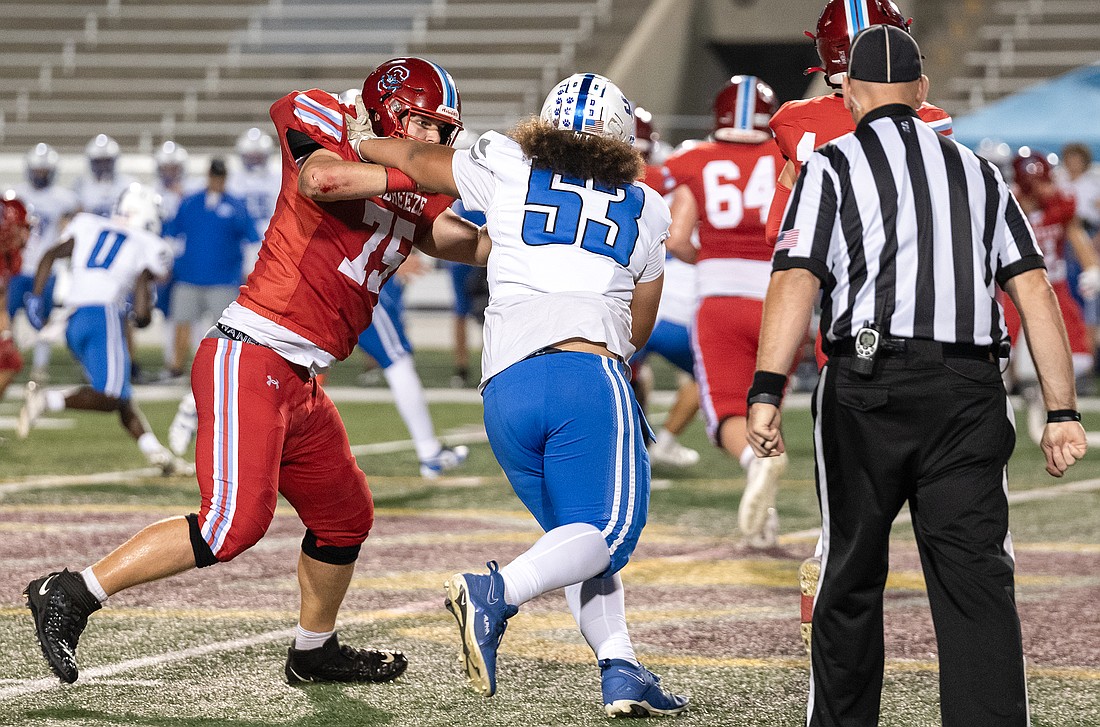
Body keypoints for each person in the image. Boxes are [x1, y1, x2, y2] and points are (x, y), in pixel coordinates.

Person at [23, 56, 482, 688]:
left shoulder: (409, 181)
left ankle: (313, 651)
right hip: (254, 352)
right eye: (424, 124)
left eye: (441, 130)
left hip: (301, 376)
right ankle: (72, 591)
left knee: (345, 515)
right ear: (389, 110)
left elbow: (447, 237)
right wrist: (412, 165)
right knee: (230, 525)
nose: (434, 139)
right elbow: (322, 179)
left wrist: (524, 239)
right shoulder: (329, 120)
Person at [747, 25, 1086, 726]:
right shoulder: (980, 172)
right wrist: (1061, 411)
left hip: (867, 385)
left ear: (850, 93)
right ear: (923, 91)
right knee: (977, 582)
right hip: (967, 389)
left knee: (851, 573)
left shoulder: (831, 165)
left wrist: (766, 389)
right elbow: (1033, 289)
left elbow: (796, 278)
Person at [354, 72, 689, 717]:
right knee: (609, 534)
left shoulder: (507, 162)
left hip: (505, 387)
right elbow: (637, 328)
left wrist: (356, 143)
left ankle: (620, 665)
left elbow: (418, 161)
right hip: (583, 372)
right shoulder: (647, 206)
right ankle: (495, 591)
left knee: (574, 540)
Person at [767, 0, 955, 653]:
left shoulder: (794, 123)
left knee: (850, 497)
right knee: (951, 508)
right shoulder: (932, 121)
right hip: (925, 320)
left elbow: (781, 225)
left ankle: (832, 576)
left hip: (842, 322)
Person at [663, 76, 786, 543]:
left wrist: (713, 259)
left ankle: (756, 461)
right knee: (767, 401)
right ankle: (766, 519)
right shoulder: (787, 156)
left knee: (731, 409)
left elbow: (677, 238)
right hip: (781, 297)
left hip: (720, 299)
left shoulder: (696, 159)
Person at [16, 184, 189, 474]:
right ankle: (47, 399)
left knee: (121, 394)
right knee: (110, 395)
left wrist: (35, 297)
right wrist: (142, 317)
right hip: (103, 315)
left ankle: (157, 453)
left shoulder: (87, 223)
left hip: (72, 319)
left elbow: (49, 255)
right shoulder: (149, 244)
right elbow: (142, 309)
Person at [1002, 149, 1099, 443]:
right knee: (1000, 356)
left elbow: (1076, 237)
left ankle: (1051, 398)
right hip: (1014, 287)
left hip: (1053, 285)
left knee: (1078, 355)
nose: (1048, 188)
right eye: (1041, 183)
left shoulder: (1059, 206)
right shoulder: (1007, 206)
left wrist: (1093, 268)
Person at [630, 107, 702, 470]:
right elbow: (679, 241)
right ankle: (664, 442)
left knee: (620, 374)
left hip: (630, 300)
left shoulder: (598, 182)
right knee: (711, 374)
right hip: (677, 304)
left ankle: (631, 443)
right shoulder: (678, 180)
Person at [355, 270, 470, 477]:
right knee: (397, 358)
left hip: (312, 280)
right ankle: (429, 452)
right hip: (348, 279)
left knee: (304, 362)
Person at [161, 157, 259, 381]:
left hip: (224, 279)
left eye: (220, 177)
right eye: (215, 176)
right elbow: (172, 235)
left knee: (225, 329)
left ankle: (223, 371)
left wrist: (248, 269)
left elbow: (252, 240)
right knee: (182, 323)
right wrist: (168, 265)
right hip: (189, 276)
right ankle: (176, 369)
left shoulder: (236, 206)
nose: (217, 181)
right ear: (209, 177)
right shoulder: (190, 202)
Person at [11, 144, 81, 381]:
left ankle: (40, 367)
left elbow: (76, 218)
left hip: (45, 270)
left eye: (45, 171)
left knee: (42, 319)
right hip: (18, 267)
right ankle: (7, 360)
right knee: (6, 317)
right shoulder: (15, 195)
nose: (40, 175)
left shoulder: (63, 198)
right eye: (37, 170)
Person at [0, 195, 32, 401]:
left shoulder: (8, 258)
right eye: (21, 228)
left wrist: (6, 334)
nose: (26, 236)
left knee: (11, 362)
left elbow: (1, 304)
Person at [72, 134, 135, 218]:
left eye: (106, 162)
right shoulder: (81, 185)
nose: (103, 167)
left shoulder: (128, 184)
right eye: (98, 162)